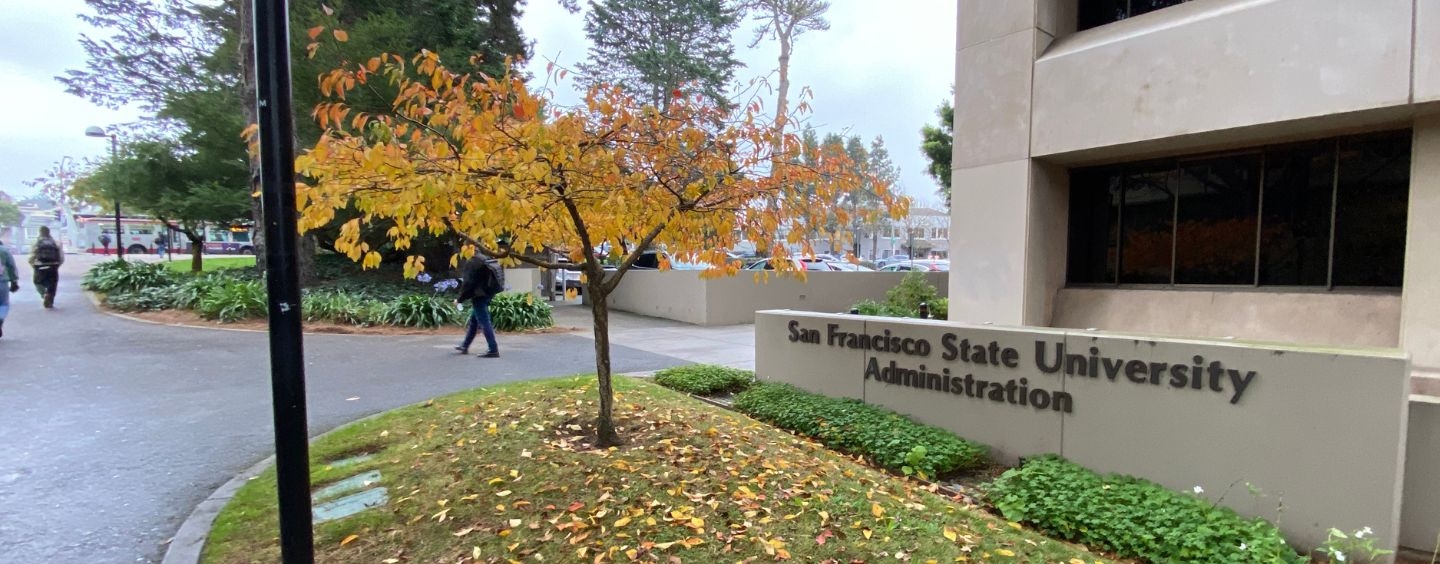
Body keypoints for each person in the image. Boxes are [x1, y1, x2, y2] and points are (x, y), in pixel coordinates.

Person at [454, 254, 504, 358]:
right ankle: (465, 345)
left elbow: (468, 283)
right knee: (474, 320)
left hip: (479, 295)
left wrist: (459, 300)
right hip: (489, 292)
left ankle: (493, 349)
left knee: (484, 321)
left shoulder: (472, 262)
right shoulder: (484, 258)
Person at [29, 226, 64, 309]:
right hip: (53, 266)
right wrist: (57, 265)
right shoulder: (56, 243)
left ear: (40, 232)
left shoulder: (35, 242)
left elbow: (31, 257)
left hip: (39, 266)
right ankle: (49, 297)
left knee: (37, 282)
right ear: (49, 232)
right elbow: (61, 258)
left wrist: (33, 265)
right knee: (52, 284)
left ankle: (44, 294)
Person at [0, 236, 18, 338]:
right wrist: (14, 281)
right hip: (1, 282)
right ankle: (0, 321)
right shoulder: (4, 250)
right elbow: (11, 266)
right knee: (3, 304)